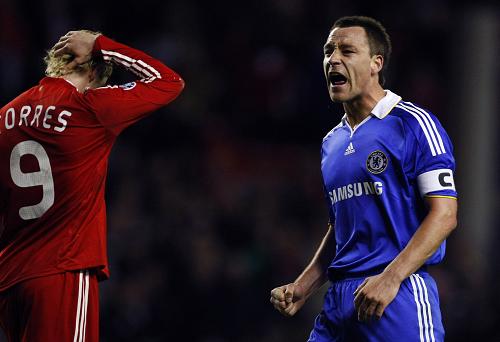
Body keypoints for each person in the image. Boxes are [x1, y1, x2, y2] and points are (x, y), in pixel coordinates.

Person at [270, 16, 457, 342]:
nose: (333, 59)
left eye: (347, 50)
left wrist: (391, 278)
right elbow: (341, 228)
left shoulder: (412, 124)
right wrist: (304, 286)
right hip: (338, 304)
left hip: (397, 294)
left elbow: (444, 214)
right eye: (328, 51)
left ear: (375, 63)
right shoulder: (332, 143)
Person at [0, 30, 184, 341]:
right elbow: (168, 82)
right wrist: (102, 46)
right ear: (96, 72)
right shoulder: (89, 107)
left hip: (10, 279)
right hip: (62, 270)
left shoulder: (5, 116)